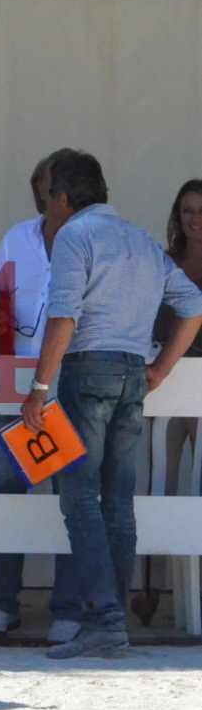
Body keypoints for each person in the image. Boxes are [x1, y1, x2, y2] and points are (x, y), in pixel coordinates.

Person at [22, 150, 202, 658]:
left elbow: (63, 319)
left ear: (62, 198)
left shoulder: (76, 237)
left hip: (88, 370)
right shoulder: (142, 240)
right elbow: (192, 306)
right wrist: (161, 369)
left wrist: (38, 389)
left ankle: (102, 618)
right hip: (131, 374)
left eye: (47, 200)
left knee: (79, 498)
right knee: (118, 502)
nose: (45, 211)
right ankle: (114, 618)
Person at [0, 150, 84, 641]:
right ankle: (2, 605)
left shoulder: (90, 239)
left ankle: (68, 609)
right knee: (4, 494)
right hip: (17, 390)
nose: (47, 195)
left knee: (74, 500)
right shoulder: (16, 238)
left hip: (73, 384)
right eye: (42, 185)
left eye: (54, 186)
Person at [152, 180, 202, 496]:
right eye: (187, 210)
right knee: (160, 480)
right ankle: (155, 548)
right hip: (166, 377)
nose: (194, 219)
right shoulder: (163, 262)